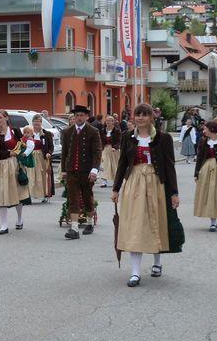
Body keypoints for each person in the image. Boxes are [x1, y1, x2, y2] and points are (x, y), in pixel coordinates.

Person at [112, 103, 180, 287]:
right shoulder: (128, 137)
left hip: (156, 184)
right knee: (135, 225)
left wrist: (174, 192)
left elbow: (169, 166)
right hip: (134, 183)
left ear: (151, 117)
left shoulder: (163, 138)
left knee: (155, 222)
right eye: (138, 114)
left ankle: (157, 262)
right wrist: (116, 188)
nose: (140, 118)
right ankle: (135, 272)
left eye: (144, 114)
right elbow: (123, 163)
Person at [60, 105, 102, 239]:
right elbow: (64, 152)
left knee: (87, 197)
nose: (79, 118)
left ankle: (89, 222)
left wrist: (94, 170)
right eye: (77, 115)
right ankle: (74, 228)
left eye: (81, 115)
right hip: (72, 170)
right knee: (73, 198)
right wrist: (64, 170)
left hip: (87, 171)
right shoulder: (67, 131)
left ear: (86, 117)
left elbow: (97, 153)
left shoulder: (93, 131)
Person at [0, 111, 31, 234]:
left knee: (18, 192)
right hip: (1, 166)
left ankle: (19, 219)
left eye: (0, 117)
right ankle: (4, 224)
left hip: (15, 165)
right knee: (1, 193)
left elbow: (22, 145)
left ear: (6, 118)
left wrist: (23, 151)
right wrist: (9, 153)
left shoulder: (15, 131)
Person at [28, 114, 55, 202]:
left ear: (41, 123)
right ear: (32, 123)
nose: (36, 124)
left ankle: (45, 194)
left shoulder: (46, 134)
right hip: (31, 157)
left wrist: (49, 153)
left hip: (42, 157)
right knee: (31, 176)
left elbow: (51, 146)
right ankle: (30, 195)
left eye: (38, 122)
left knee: (43, 176)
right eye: (35, 122)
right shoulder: (29, 133)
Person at [99, 115, 121, 187]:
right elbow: (100, 140)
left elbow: (119, 141)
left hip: (114, 150)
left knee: (114, 165)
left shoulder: (117, 131)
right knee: (105, 164)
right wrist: (100, 148)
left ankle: (116, 181)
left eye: (109, 121)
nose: (107, 122)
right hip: (105, 149)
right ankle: (104, 181)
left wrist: (115, 147)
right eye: (107, 120)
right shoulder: (103, 130)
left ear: (113, 122)